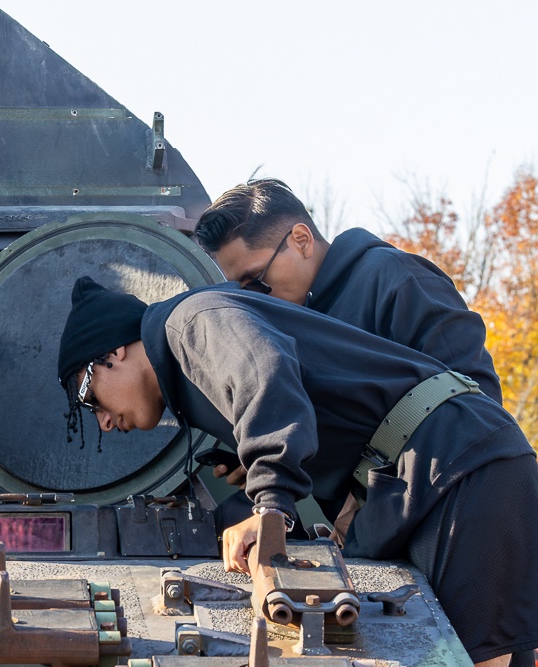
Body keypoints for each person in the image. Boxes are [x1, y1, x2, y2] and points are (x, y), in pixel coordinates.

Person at [57, 275, 538, 667]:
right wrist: (253, 466)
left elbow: (266, 374)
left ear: (115, 352)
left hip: (454, 464)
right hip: (423, 475)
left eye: (87, 396)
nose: (101, 421)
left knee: (467, 659)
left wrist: (270, 503)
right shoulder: (189, 363)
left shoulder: (191, 321)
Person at [193, 178, 502, 401]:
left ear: (301, 240)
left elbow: (476, 398)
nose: (255, 298)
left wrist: (379, 477)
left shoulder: (399, 280)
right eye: (242, 292)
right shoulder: (288, 321)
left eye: (257, 278)